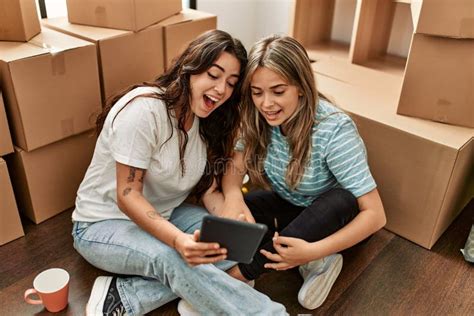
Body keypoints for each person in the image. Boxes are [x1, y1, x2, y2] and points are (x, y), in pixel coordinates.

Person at [71, 30, 287, 316]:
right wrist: (176, 240)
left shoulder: (204, 124)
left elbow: (209, 190)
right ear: (190, 68)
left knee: (229, 246)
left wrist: (232, 217)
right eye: (213, 74)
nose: (221, 89)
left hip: (165, 215)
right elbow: (127, 194)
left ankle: (126, 296)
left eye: (231, 83)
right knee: (172, 257)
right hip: (101, 225)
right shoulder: (145, 110)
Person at [216, 34, 386, 310]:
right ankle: (311, 263)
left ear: (301, 88)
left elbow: (376, 215)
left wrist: (313, 249)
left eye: (278, 91)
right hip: (293, 205)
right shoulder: (258, 118)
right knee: (239, 206)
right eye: (257, 92)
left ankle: (237, 276)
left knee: (340, 198)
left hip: (337, 217)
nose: (266, 104)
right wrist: (233, 194)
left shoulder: (334, 129)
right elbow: (234, 170)